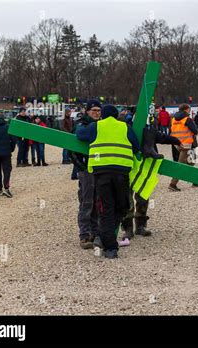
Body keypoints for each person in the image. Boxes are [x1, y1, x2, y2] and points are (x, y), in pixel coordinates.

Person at [76, 104, 140, 259]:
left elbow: (80, 134)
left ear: (103, 115)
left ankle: (110, 248)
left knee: (105, 209)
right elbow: (136, 147)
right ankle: (109, 241)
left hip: (101, 174)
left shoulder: (95, 126)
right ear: (117, 115)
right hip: (121, 173)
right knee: (122, 206)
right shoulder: (124, 127)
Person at [70, 100, 101, 249]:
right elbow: (72, 149)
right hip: (86, 169)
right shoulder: (81, 124)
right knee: (86, 202)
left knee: (97, 202)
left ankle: (95, 232)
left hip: (99, 169)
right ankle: (84, 235)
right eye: (94, 110)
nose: (97, 113)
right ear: (87, 111)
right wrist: (81, 167)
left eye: (99, 110)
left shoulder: (102, 125)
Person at [168, 104, 197, 192]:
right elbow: (195, 130)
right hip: (186, 144)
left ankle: (195, 180)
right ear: (187, 109)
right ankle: (173, 184)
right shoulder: (187, 119)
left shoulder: (173, 119)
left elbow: (170, 130)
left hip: (177, 144)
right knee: (180, 165)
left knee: (190, 162)